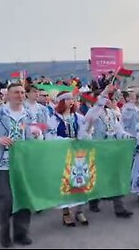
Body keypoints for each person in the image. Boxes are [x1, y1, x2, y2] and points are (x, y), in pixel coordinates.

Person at [0, 83, 41, 247]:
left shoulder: (29, 115)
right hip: (3, 165)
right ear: (7, 95)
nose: (20, 95)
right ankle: (5, 235)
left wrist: (37, 135)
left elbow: (33, 134)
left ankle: (21, 233)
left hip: (23, 164)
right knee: (6, 200)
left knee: (23, 199)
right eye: (16, 92)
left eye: (22, 92)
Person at [85, 86, 134, 218]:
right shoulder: (92, 114)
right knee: (97, 177)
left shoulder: (112, 113)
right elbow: (87, 131)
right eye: (105, 98)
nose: (108, 101)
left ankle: (119, 208)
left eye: (109, 99)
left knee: (115, 177)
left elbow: (118, 130)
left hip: (112, 150)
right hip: (98, 150)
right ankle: (93, 200)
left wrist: (127, 137)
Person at [46, 91, 89, 227]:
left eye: (72, 99)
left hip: (78, 155)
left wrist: (85, 133)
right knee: (65, 183)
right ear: (61, 102)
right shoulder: (54, 118)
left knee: (81, 182)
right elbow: (49, 137)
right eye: (68, 99)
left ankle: (80, 210)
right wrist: (66, 140)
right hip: (63, 154)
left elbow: (84, 134)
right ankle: (66, 212)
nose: (71, 102)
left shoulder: (78, 117)